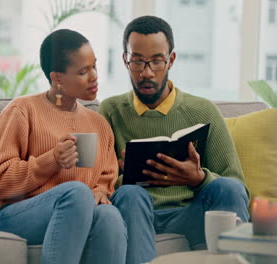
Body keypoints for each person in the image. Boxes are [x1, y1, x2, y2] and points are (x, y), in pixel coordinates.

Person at [99, 16, 250, 263]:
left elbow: (236, 186)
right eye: (137, 61)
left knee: (228, 187)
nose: (147, 72)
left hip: (191, 213)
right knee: (130, 194)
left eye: (157, 61)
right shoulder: (110, 111)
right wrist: (120, 172)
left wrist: (198, 178)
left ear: (171, 60)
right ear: (125, 60)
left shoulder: (203, 111)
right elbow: (98, 183)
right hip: (135, 210)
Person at [0, 29, 126, 264]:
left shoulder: (99, 124)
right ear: (57, 78)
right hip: (16, 216)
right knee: (78, 192)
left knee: (109, 215)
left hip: (79, 212)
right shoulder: (21, 111)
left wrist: (101, 192)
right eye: (83, 71)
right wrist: (51, 160)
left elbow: (105, 179)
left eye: (94, 66)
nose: (94, 77)